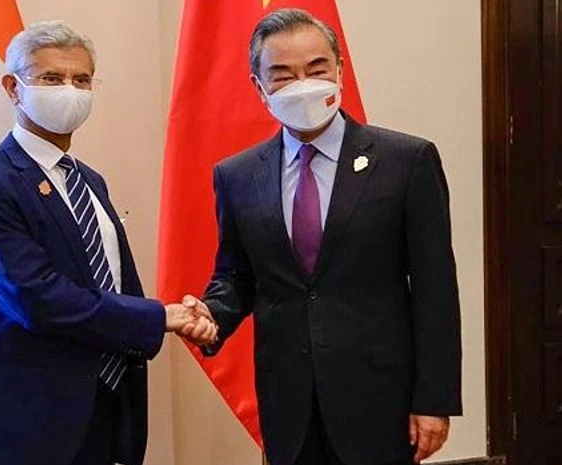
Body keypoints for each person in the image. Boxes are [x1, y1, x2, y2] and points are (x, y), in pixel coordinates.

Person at [0, 20, 217, 465]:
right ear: (12, 87)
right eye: (51, 78)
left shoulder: (88, 181)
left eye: (81, 80)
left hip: (97, 410)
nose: (69, 90)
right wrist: (162, 316)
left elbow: (107, 282)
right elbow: (35, 296)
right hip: (13, 422)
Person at [181, 9, 462, 465]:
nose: (304, 84)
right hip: (288, 397)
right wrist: (211, 312)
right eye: (283, 75)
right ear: (259, 88)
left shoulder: (406, 162)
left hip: (379, 397)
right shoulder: (237, 175)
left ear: (339, 73)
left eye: (316, 69)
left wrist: (434, 399)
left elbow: (435, 290)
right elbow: (236, 274)